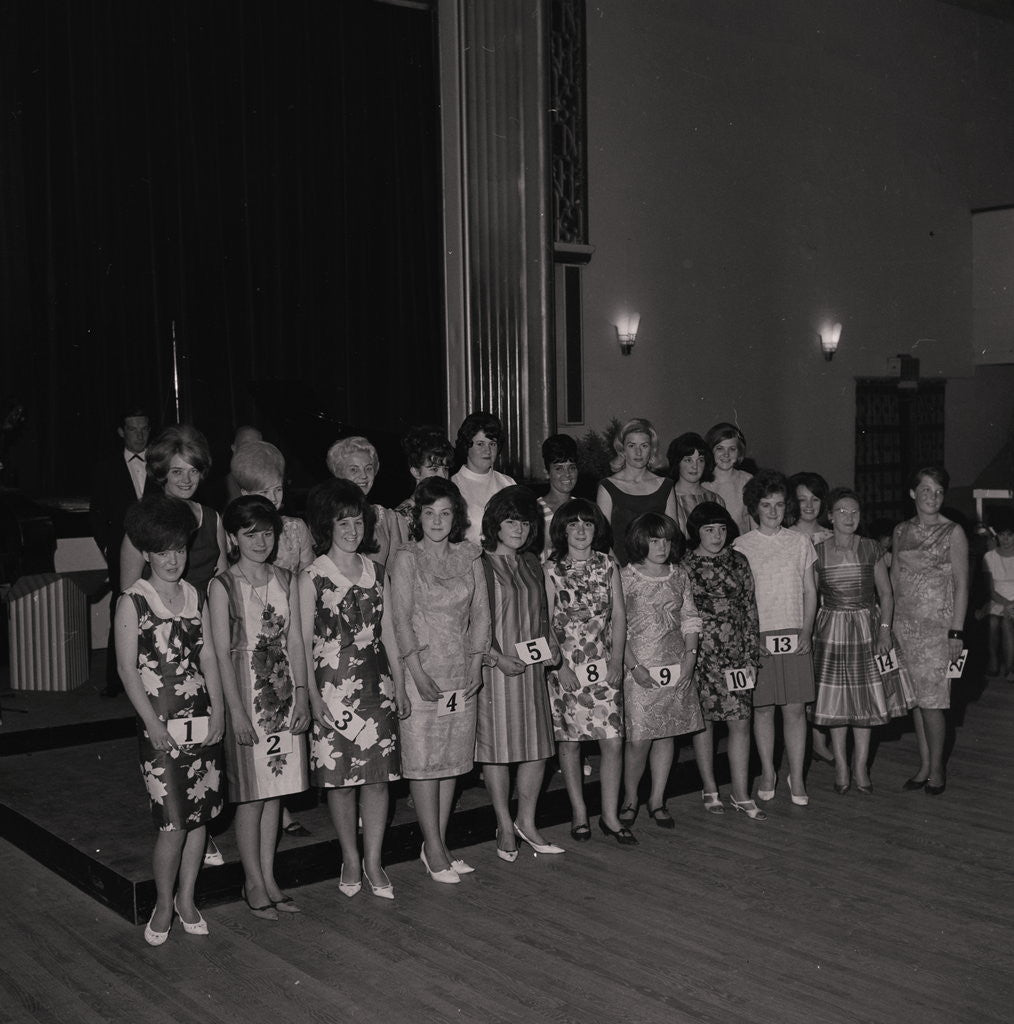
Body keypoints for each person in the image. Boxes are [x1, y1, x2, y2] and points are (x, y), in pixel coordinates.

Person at [114, 494, 225, 945]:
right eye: (163, 552)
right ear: (146, 553)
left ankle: (187, 899)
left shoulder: (195, 595)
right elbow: (127, 670)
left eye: (179, 549)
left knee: (200, 819)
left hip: (200, 719)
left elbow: (209, 656)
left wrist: (219, 710)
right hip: (159, 725)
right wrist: (152, 724)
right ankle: (162, 904)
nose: (173, 559)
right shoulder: (133, 602)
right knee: (172, 822)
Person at [299, 479, 405, 899]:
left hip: (376, 686)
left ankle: (374, 861)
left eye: (358, 521)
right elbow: (300, 643)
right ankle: (349, 857)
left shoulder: (377, 572)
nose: (352, 530)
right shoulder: (311, 577)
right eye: (343, 522)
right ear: (327, 525)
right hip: (331, 690)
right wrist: (311, 696)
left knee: (378, 779)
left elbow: (389, 633)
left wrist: (400, 686)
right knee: (340, 781)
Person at [208, 496, 311, 919]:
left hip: (283, 693)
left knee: (276, 792)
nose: (260, 542)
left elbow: (296, 641)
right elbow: (219, 653)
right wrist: (235, 712)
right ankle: (251, 881)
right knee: (251, 797)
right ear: (233, 538)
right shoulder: (222, 585)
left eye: (267, 533)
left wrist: (302, 693)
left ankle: (269, 878)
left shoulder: (287, 578)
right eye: (250, 534)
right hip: (247, 696)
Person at [389, 476, 490, 883]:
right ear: (418, 517)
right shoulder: (407, 558)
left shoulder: (469, 555)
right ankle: (431, 846)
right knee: (424, 762)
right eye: (429, 513)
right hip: (423, 673)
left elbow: (481, 614)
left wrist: (476, 663)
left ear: (456, 517)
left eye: (445, 513)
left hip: (461, 672)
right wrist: (416, 672)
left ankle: (440, 844)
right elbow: (400, 619)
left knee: (451, 761)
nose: (436, 521)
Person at [476, 486, 563, 860]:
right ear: (495, 524)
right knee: (496, 752)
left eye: (525, 523)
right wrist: (495, 658)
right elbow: (469, 623)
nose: (519, 529)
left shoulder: (531, 563)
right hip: (496, 670)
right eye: (511, 521)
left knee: (537, 748)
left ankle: (526, 821)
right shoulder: (479, 564)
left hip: (531, 669)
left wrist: (552, 643)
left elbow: (542, 613)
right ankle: (503, 824)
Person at [812, 489, 915, 794]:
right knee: (836, 700)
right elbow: (811, 596)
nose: (849, 517)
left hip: (867, 628)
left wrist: (884, 631)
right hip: (831, 631)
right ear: (830, 516)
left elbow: (886, 594)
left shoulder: (870, 547)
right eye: (842, 511)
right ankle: (841, 765)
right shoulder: (817, 552)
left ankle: (860, 765)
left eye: (855, 511)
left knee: (866, 699)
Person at [544, 499, 631, 843]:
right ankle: (579, 813)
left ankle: (609, 815)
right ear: (562, 530)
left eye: (588, 524)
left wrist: (617, 660)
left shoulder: (608, 564)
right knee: (569, 742)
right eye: (573, 524)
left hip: (605, 666)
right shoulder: (551, 568)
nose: (581, 531)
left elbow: (619, 616)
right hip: (566, 669)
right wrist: (559, 665)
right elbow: (545, 621)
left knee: (613, 741)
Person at [733, 470, 817, 806]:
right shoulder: (741, 546)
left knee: (795, 709)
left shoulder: (800, 542)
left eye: (779, 504)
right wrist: (750, 638)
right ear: (755, 507)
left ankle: (797, 775)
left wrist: (807, 630)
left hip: (794, 632)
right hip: (760, 635)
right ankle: (767, 772)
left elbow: (811, 591)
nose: (772, 511)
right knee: (764, 709)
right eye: (766, 505)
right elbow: (739, 601)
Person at [618, 513, 702, 829]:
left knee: (667, 735)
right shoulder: (625, 577)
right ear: (640, 541)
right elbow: (616, 627)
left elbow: (690, 617)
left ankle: (657, 799)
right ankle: (630, 798)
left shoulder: (679, 575)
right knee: (639, 739)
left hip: (675, 664)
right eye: (654, 541)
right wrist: (633, 666)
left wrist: (690, 659)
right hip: (638, 667)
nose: (662, 547)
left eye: (666, 540)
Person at [683, 503, 764, 819]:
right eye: (709, 530)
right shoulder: (685, 565)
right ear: (697, 532)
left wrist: (751, 654)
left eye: (721, 529)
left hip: (736, 653)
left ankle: (741, 793)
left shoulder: (739, 561)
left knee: (741, 721)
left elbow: (749, 608)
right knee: (705, 723)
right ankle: (710, 787)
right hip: (701, 653)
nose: (717, 536)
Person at [892, 467, 969, 795]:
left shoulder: (953, 532)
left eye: (938, 491)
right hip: (904, 627)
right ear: (913, 493)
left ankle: (937, 769)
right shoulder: (900, 530)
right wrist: (887, 625)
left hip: (938, 630)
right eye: (926, 490)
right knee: (916, 701)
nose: (933, 497)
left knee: (934, 703)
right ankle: (924, 765)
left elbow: (962, 585)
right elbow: (894, 579)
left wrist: (956, 632)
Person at [120, 425, 227, 599]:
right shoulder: (143, 522)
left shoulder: (212, 519)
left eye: (193, 471)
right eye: (177, 472)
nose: (187, 480)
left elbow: (223, 587)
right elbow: (128, 597)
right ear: (162, 472)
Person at [90, 406, 152, 696]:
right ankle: (116, 682)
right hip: (121, 552)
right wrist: (107, 547)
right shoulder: (106, 467)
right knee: (122, 606)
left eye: (144, 429)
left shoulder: (161, 464)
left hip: (158, 549)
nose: (139, 435)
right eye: (132, 429)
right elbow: (97, 513)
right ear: (121, 432)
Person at [787, 471, 834, 765]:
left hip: (829, 615)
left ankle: (819, 740)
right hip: (795, 614)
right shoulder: (786, 535)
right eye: (802, 499)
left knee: (823, 677)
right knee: (800, 681)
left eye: (815, 499)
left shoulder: (831, 535)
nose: (808, 505)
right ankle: (800, 744)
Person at [596, 418, 676, 566]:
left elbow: (673, 535)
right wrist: (619, 572)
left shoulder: (666, 485)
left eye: (644, 445)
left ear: (652, 449)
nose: (638, 452)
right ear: (622, 450)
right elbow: (602, 540)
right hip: (620, 567)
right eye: (631, 445)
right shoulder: (608, 486)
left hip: (658, 568)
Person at [230, 440, 313, 574]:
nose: (273, 498)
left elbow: (308, 574)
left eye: (278, 489)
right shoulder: (235, 532)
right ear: (246, 494)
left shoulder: (296, 528)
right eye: (264, 492)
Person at [326, 436, 397, 572]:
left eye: (368, 468)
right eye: (354, 469)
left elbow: (395, 570)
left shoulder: (387, 517)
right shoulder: (326, 515)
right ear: (339, 473)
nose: (364, 476)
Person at [451, 411, 516, 546]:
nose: (487, 451)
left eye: (492, 444)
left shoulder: (508, 484)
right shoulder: (453, 485)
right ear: (466, 446)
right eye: (480, 444)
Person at [393, 425, 454, 545]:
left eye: (446, 469)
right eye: (434, 469)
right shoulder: (401, 516)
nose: (443, 476)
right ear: (416, 472)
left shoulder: (449, 506)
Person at [666, 432, 727, 539]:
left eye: (700, 460)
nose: (695, 466)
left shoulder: (716, 500)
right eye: (688, 460)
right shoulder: (668, 498)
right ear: (677, 463)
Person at [704, 422, 753, 536]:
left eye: (732, 449)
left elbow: (755, 523)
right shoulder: (702, 483)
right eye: (720, 448)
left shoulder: (748, 481)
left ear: (739, 452)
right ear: (710, 451)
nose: (726, 454)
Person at [982, 507, 1014, 679]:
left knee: (1006, 622)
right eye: (1002, 535)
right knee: (992, 622)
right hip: (997, 601)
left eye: (1010, 535)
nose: (1006, 539)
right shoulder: (989, 557)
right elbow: (991, 591)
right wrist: (1007, 604)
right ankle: (993, 662)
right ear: (996, 535)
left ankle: (1010, 668)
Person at [538, 434, 580, 556]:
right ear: (547, 472)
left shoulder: (583, 509)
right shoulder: (535, 510)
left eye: (571, 468)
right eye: (559, 469)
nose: (567, 474)